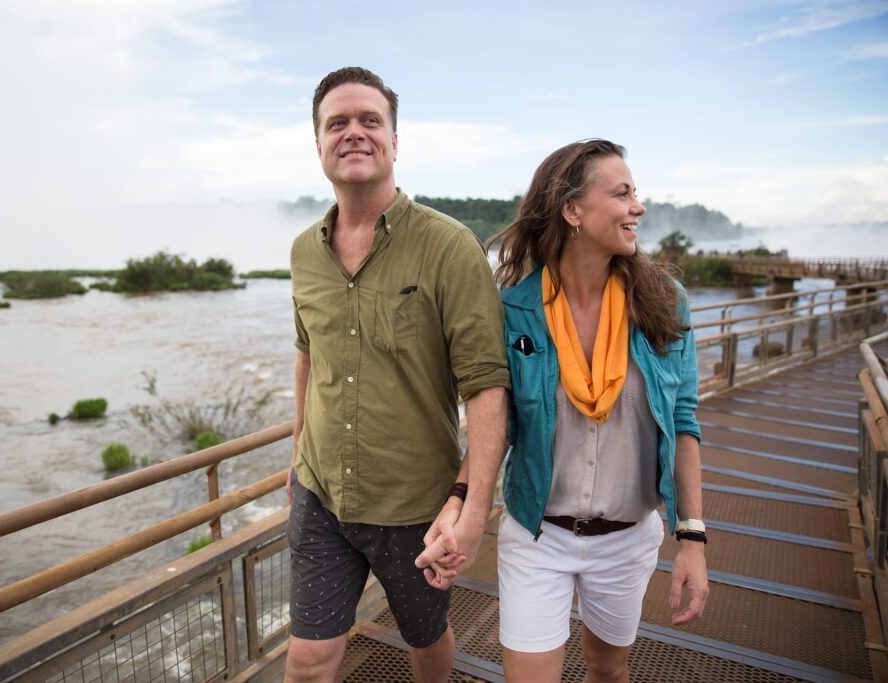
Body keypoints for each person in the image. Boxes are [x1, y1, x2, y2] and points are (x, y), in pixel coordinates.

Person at [285, 66, 510, 683]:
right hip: (321, 493)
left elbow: (488, 386)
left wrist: (471, 505)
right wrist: (295, 455)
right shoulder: (305, 251)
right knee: (306, 658)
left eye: (369, 120)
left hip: (415, 504)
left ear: (394, 140)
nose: (353, 133)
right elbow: (309, 355)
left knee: (426, 640)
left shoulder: (449, 246)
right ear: (318, 143)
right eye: (338, 123)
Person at [489, 139, 709, 682]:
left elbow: (683, 423)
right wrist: (461, 505)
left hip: (628, 535)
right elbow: (495, 424)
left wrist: (693, 539)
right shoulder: (513, 310)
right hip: (538, 533)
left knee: (607, 671)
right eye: (623, 193)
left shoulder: (665, 301)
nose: (638, 206)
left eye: (636, 193)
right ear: (573, 211)